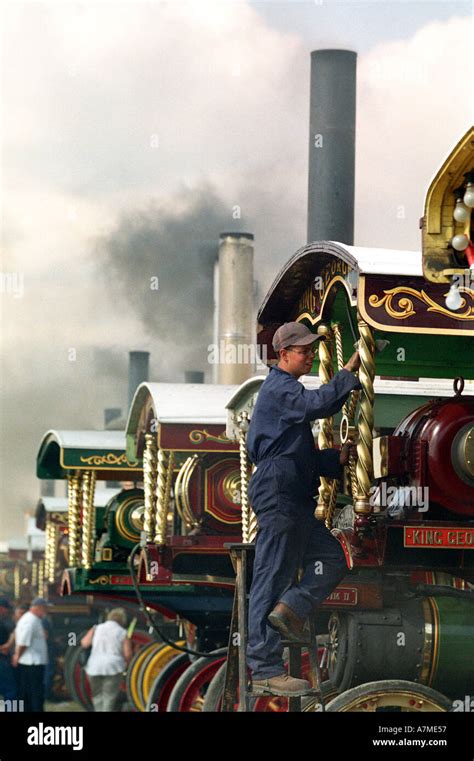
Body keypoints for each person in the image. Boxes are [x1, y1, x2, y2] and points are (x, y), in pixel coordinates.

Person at [246, 321, 361, 697]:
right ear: (283, 355)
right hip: (279, 492)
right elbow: (321, 404)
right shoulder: (280, 388)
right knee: (272, 575)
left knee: (332, 557)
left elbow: (302, 457)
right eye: (305, 351)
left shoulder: (284, 393)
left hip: (292, 494)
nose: (310, 356)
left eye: (313, 350)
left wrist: (334, 459)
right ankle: (264, 669)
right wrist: (348, 374)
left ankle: (289, 609)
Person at [80, 608, 132, 711]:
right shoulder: (122, 632)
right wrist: (127, 663)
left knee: (97, 695)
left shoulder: (96, 628)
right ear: (122, 620)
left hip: (94, 666)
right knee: (109, 696)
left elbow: (84, 643)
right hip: (114, 666)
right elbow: (128, 653)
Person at [12, 597, 49, 711]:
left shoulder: (33, 619)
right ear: (38, 608)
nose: (46, 611)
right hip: (31, 662)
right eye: (45, 608)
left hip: (32, 661)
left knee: (30, 692)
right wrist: (17, 655)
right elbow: (24, 641)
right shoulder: (30, 620)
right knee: (34, 693)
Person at [0, 597, 18, 703]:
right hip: (2, 661)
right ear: (2, 608)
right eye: (6, 609)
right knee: (11, 691)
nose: (7, 612)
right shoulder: (3, 623)